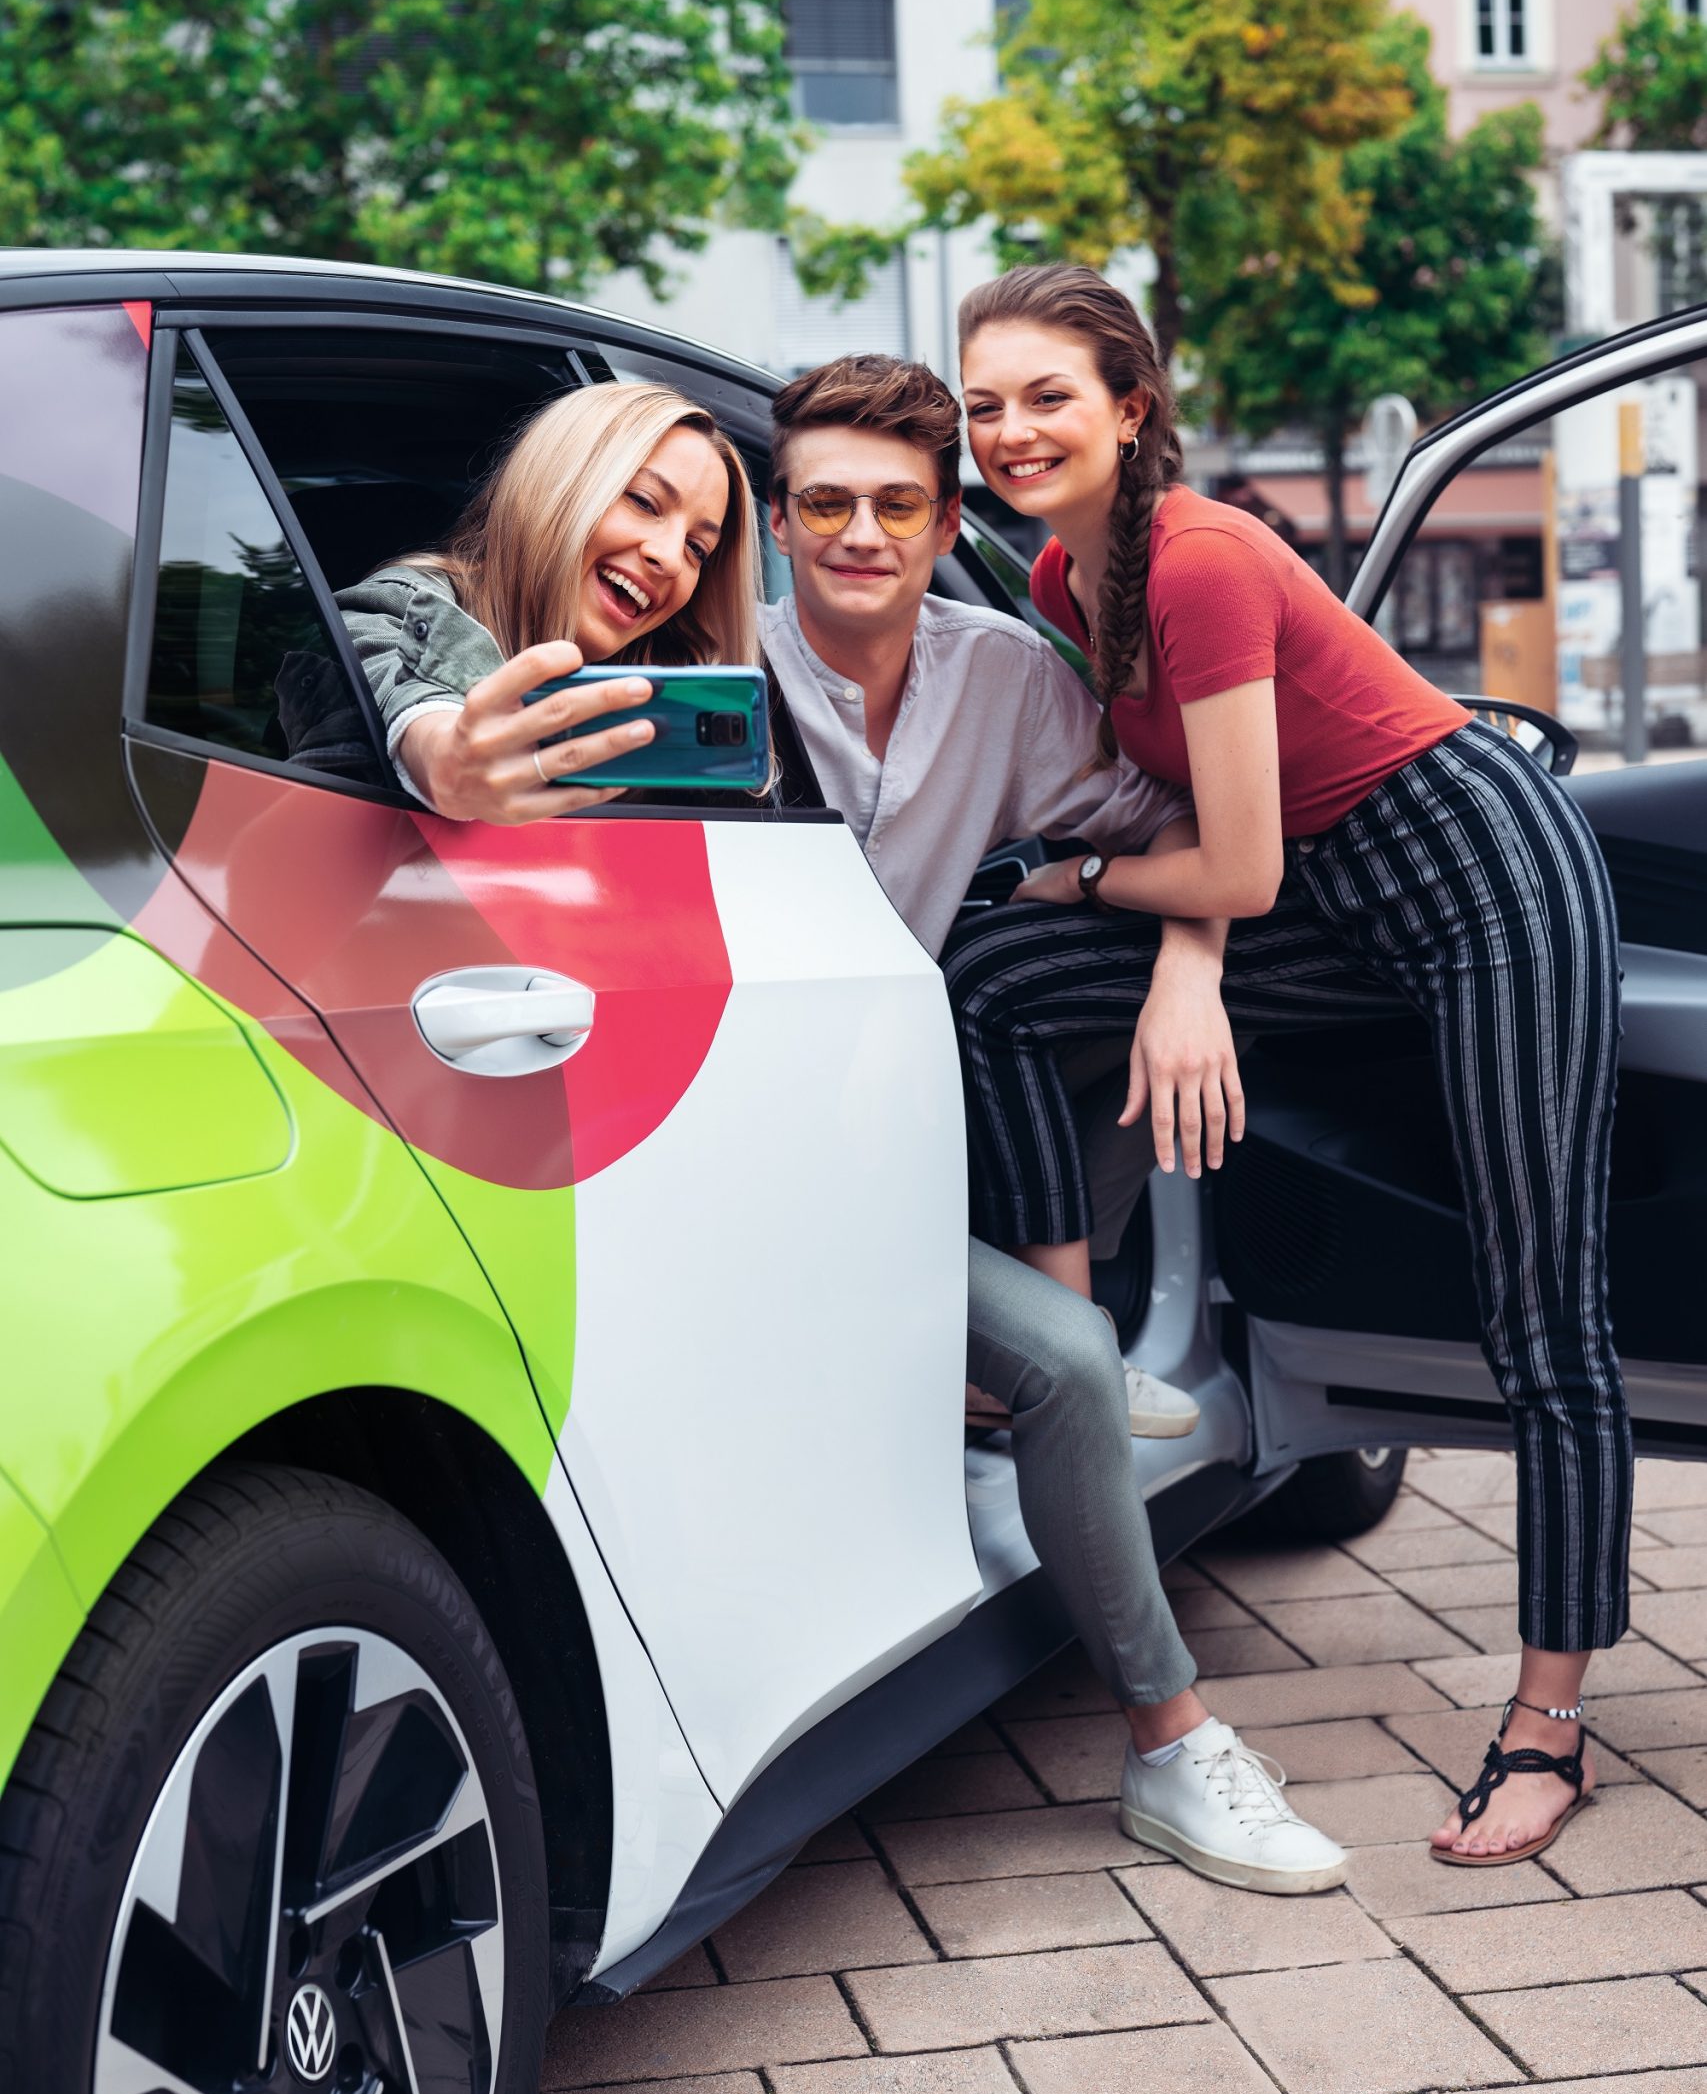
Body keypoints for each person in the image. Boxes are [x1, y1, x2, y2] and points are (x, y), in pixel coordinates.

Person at [946, 262, 1629, 1871]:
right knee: (991, 974)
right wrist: (1175, 959)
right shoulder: (1057, 578)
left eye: (1045, 396)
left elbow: (1228, 862)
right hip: (1319, 898)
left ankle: (1547, 1725)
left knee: (1539, 1301)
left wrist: (1098, 888)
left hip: (1474, 871)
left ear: (1130, 407)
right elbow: (1201, 820)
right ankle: (1073, 1344)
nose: (1009, 430)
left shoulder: (1195, 560)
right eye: (981, 405)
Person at [764, 352, 1349, 1893]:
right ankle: (1168, 1740)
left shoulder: (1005, 675)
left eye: (898, 505)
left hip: (916, 1144)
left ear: (941, 516)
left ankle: (1016, 1364)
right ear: (774, 521)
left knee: (1116, 1008)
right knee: (1073, 1362)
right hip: (752, 1167)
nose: (860, 536)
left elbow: (1179, 833)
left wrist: (1191, 979)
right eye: (824, 503)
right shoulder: (713, 676)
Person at [338, 379, 761, 816]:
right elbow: (395, 688)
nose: (671, 559)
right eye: (643, 502)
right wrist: (448, 762)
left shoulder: (672, 700)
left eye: (697, 549)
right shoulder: (400, 608)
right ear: (557, 486)